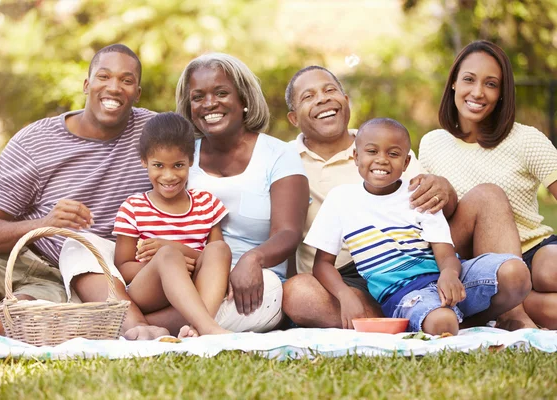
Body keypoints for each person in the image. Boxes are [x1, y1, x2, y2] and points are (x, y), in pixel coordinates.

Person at [282, 65, 537, 330]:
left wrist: (443, 189)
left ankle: (510, 314)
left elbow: (438, 210)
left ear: (346, 101)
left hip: (419, 257)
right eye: (308, 96)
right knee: (297, 293)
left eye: (330, 90)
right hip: (347, 279)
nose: (322, 98)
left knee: (489, 195)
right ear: (293, 119)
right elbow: (285, 236)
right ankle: (421, 316)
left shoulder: (384, 141)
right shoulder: (284, 160)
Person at [0, 44, 170, 345]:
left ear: (137, 92)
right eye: (104, 76)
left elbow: (200, 149)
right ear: (87, 84)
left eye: (126, 80)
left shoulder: (153, 135)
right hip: (4, 259)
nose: (114, 87)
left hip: (63, 278)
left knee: (10, 320)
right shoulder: (35, 142)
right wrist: (45, 222)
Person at [306, 117, 530, 334]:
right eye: (372, 151)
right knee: (442, 321)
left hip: (446, 280)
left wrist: (450, 275)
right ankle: (451, 321)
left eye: (393, 154)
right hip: (405, 294)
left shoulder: (417, 193)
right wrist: (345, 295)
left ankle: (468, 319)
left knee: (516, 272)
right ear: (356, 156)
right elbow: (322, 265)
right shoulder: (340, 199)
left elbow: (445, 254)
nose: (382, 160)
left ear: (406, 163)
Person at [419, 40, 557, 329]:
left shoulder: (526, 139)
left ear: (502, 94)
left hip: (532, 248)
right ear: (454, 83)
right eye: (469, 79)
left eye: (491, 84)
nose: (478, 92)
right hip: (473, 259)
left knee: (551, 270)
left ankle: (515, 305)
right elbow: (427, 216)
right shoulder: (432, 143)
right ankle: (512, 311)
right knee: (488, 194)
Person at [175, 53, 310, 332]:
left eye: (222, 92)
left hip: (254, 282)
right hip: (187, 275)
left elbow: (288, 232)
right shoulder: (181, 157)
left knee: (267, 295)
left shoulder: (278, 154)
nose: (210, 103)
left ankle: (144, 325)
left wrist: (253, 259)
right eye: (198, 97)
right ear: (189, 108)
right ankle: (194, 325)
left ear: (244, 99)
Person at [112, 112, 231, 336]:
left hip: (194, 290)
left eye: (178, 165)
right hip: (149, 290)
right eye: (158, 165)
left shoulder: (206, 204)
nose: (168, 176)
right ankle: (208, 328)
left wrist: (178, 250)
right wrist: (167, 263)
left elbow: (216, 260)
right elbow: (123, 267)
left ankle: (196, 328)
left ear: (191, 161)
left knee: (219, 248)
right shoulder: (134, 207)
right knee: (168, 255)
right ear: (144, 161)